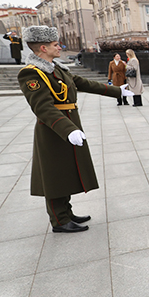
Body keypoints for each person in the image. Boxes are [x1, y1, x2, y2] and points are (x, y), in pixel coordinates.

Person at [17, 26, 133, 232]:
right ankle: (59, 221)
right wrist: (67, 129)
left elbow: (83, 83)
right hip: (53, 131)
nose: (59, 47)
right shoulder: (31, 74)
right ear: (43, 48)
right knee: (54, 175)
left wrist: (117, 91)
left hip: (69, 125)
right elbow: (42, 108)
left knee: (66, 171)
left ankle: (67, 212)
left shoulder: (57, 68)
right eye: (55, 45)